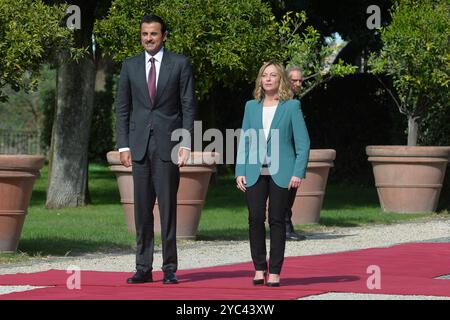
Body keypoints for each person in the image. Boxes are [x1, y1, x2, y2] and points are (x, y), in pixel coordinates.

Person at [116, 14, 197, 285]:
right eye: (144, 34)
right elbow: (123, 109)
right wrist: (124, 145)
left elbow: (188, 106)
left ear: (163, 35)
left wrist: (186, 143)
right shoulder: (129, 66)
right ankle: (143, 267)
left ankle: (170, 268)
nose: (148, 38)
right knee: (141, 211)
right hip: (138, 147)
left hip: (169, 146)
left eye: (153, 34)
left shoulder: (180, 64)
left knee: (168, 209)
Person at [235, 62, 310, 287]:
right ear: (260, 80)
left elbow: (303, 144)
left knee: (277, 220)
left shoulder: (292, 107)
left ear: (281, 80)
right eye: (264, 75)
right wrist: (239, 170)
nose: (268, 79)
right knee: (255, 218)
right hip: (254, 171)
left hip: (283, 172)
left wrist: (298, 173)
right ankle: (259, 268)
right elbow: (245, 141)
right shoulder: (251, 106)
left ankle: (275, 271)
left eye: (273, 75)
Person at [285, 65, 307, 241]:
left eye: (300, 80)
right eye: (294, 80)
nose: (298, 83)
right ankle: (285, 227)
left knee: (291, 191)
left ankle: (287, 225)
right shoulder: (284, 102)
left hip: (292, 154)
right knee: (284, 191)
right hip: (282, 154)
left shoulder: (295, 101)